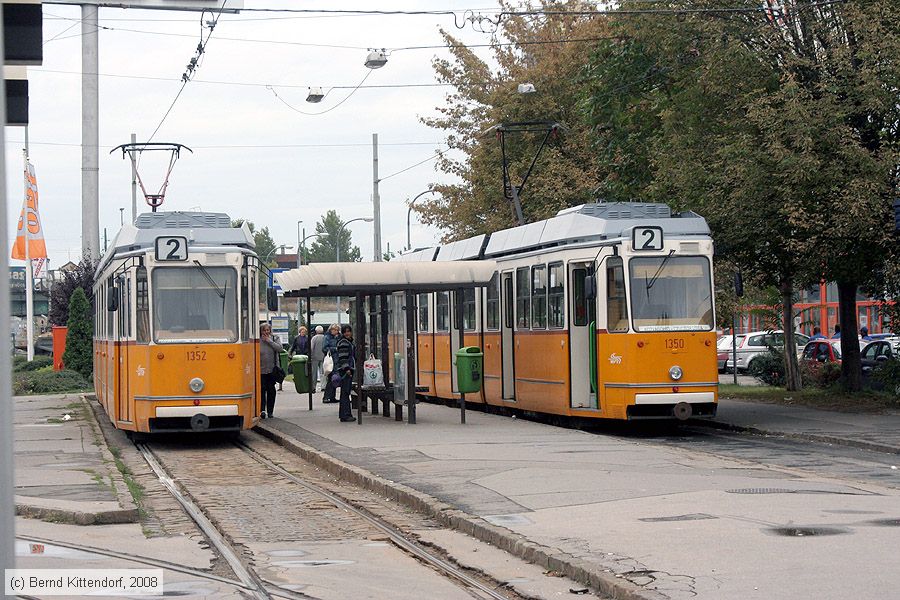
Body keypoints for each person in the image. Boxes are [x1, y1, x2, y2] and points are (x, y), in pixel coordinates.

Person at [258, 323, 282, 419]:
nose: (266, 332)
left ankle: (270, 411)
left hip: (272, 369)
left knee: (271, 390)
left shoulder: (274, 338)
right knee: (262, 390)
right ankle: (262, 410)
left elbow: (280, 349)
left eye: (268, 330)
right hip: (260, 369)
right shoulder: (258, 340)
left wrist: (269, 341)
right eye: (264, 330)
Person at [335, 324, 356, 422]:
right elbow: (343, 357)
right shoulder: (344, 343)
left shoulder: (346, 341)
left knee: (345, 392)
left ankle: (345, 414)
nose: (347, 333)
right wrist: (347, 369)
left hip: (347, 369)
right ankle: (345, 414)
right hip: (345, 371)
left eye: (349, 331)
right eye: (345, 332)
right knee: (345, 393)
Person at [321, 323, 340, 403]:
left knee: (334, 379)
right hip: (331, 360)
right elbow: (324, 348)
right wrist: (335, 349)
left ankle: (332, 396)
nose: (336, 331)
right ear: (331, 330)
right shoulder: (327, 337)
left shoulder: (338, 337)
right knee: (330, 379)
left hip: (337, 360)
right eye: (334, 330)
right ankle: (326, 396)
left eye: (337, 330)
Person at [309, 326, 326, 392]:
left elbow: (311, 348)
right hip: (323, 357)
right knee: (323, 372)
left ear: (316, 331)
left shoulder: (314, 338)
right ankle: (323, 386)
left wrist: (310, 356)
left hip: (314, 358)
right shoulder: (324, 337)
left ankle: (313, 387)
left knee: (314, 373)